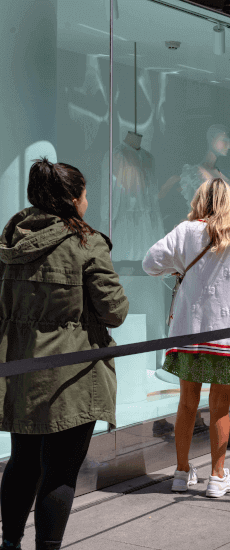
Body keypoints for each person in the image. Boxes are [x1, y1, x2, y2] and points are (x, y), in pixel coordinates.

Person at [0, 159, 129, 550]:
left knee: (22, 462)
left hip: (20, 368)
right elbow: (115, 312)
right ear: (72, 199)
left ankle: (9, 544)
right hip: (73, 373)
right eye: (85, 195)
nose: (87, 202)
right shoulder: (85, 244)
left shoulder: (9, 241)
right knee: (60, 472)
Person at [143, 178, 230, 498]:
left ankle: (181, 472)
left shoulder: (185, 232)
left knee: (186, 404)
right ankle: (217, 476)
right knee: (220, 408)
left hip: (188, 333)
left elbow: (150, 263)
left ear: (200, 201)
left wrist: (178, 269)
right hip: (227, 334)